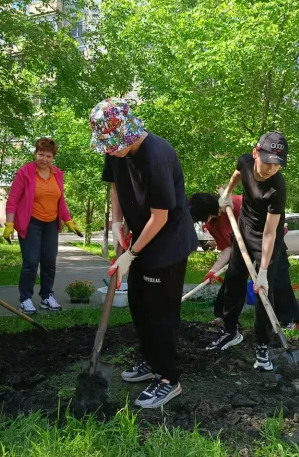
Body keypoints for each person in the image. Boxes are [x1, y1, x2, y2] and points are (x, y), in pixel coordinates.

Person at [90, 97, 197, 409]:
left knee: (160, 313)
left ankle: (168, 378)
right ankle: (151, 361)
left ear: (128, 133)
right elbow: (115, 185)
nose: (109, 151)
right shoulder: (116, 149)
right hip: (140, 236)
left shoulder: (157, 156)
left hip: (168, 242)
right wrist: (116, 222)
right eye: (106, 146)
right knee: (138, 304)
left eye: (113, 145)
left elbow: (160, 217)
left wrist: (130, 255)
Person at [205, 132, 299, 372]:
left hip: (266, 239)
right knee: (233, 281)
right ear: (255, 153)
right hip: (244, 228)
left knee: (263, 291)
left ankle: (262, 346)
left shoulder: (277, 187)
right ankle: (230, 331)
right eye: (268, 161)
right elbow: (237, 174)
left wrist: (263, 272)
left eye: (277, 164)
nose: (271, 168)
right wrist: (227, 194)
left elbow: (270, 233)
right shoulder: (245, 162)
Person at [3, 138, 83, 314]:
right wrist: (9, 223)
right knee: (31, 262)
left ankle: (47, 297)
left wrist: (68, 220)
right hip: (31, 223)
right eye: (41, 154)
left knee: (49, 262)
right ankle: (25, 299)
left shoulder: (57, 174)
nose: (44, 159)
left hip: (51, 224)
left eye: (48, 156)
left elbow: (60, 200)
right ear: (35, 153)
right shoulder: (25, 173)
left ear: (53, 157)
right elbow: (13, 199)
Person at [188, 192, 242, 323]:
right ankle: (224, 315)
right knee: (233, 277)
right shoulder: (212, 224)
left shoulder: (234, 204)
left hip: (266, 237)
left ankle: (286, 319)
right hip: (240, 248)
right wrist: (213, 271)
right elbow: (227, 249)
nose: (205, 220)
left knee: (275, 278)